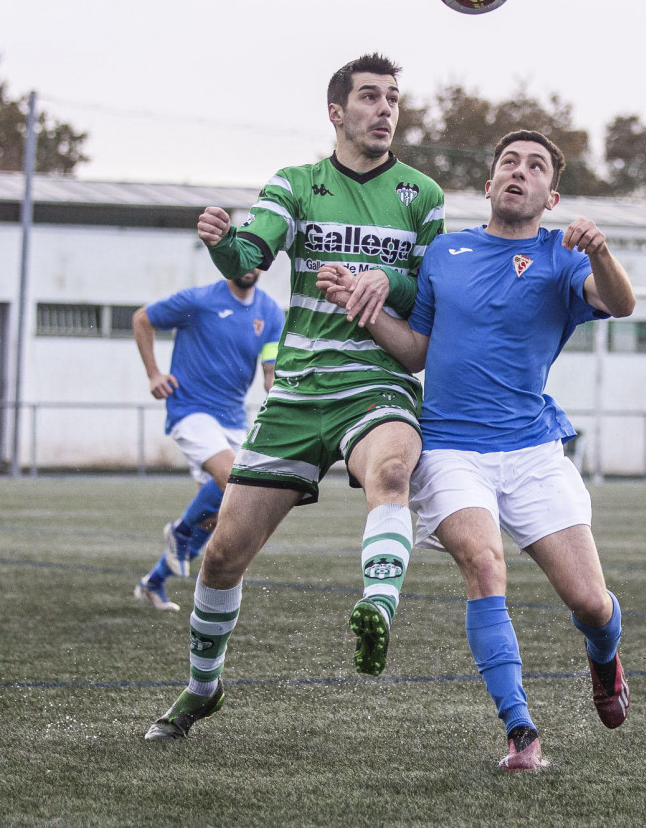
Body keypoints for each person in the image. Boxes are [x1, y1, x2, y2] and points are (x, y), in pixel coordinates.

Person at [144, 53, 445, 740]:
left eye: (392, 97)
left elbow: (430, 292)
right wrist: (224, 247)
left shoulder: (421, 196)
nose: (384, 108)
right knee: (221, 555)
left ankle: (376, 603)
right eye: (369, 96)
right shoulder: (297, 183)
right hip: (299, 391)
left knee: (391, 472)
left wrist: (383, 282)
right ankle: (201, 687)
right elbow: (252, 253)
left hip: (375, 382)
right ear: (336, 112)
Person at [317, 130, 635, 771]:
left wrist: (599, 250)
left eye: (536, 166)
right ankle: (521, 731)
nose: (520, 172)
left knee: (591, 603)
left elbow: (621, 303)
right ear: (489, 184)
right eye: (509, 163)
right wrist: (364, 307)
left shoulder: (562, 257)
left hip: (533, 452)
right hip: (451, 450)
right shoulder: (444, 252)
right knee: (485, 567)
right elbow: (418, 352)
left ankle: (606, 662)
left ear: (551, 195)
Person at [132, 269, 284, 611]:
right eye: (243, 256)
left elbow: (271, 373)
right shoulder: (198, 301)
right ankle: (181, 534)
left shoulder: (271, 313)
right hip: (191, 410)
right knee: (233, 478)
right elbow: (142, 318)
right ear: (229, 258)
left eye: (259, 258)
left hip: (232, 419)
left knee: (230, 507)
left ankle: (153, 583)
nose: (250, 265)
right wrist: (154, 374)